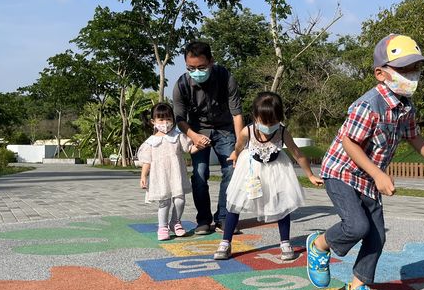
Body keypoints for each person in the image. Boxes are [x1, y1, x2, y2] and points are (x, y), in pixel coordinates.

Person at [306, 34, 424, 290]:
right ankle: (319, 244)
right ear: (381, 73)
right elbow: (349, 143)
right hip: (341, 171)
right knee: (357, 226)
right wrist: (379, 174)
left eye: (415, 69)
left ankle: (356, 288)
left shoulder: (406, 106)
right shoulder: (369, 104)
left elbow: (415, 138)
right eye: (403, 70)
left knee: (377, 235)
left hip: (368, 178)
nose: (411, 76)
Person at [215, 92, 323, 261]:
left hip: (276, 169)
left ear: (279, 118)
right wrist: (235, 155)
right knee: (235, 204)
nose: (268, 125)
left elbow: (297, 153)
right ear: (255, 117)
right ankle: (225, 242)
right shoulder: (248, 131)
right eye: (263, 121)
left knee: (282, 204)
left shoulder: (281, 131)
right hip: (250, 169)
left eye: (272, 121)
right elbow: (238, 145)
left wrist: (310, 175)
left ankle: (285, 242)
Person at [172, 41, 244, 235]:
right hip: (197, 130)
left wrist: (239, 147)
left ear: (211, 61)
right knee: (200, 174)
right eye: (191, 68)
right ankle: (203, 220)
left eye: (201, 67)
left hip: (225, 129)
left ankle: (223, 218)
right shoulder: (181, 84)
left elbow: (237, 114)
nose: (196, 72)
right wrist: (194, 136)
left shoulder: (226, 78)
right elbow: (179, 119)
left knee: (231, 170)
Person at [138, 103, 202, 241]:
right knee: (164, 202)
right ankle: (162, 227)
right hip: (160, 177)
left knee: (180, 200)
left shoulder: (178, 136)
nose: (165, 123)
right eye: (161, 120)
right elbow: (146, 161)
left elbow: (189, 149)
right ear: (153, 122)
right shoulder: (151, 142)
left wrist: (200, 145)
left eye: (168, 119)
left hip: (176, 175)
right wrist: (143, 176)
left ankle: (175, 222)